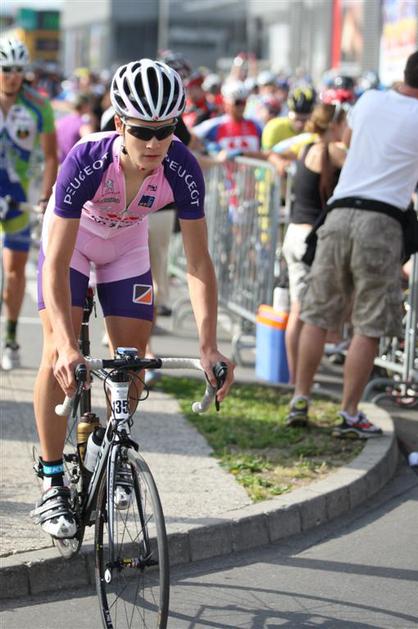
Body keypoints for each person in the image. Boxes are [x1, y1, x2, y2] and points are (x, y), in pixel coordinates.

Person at [31, 58, 235, 539]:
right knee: (57, 356)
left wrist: (209, 345)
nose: (154, 143)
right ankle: (52, 478)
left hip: (126, 248)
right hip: (74, 245)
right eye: (143, 131)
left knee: (132, 359)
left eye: (166, 130)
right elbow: (55, 263)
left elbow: (198, 262)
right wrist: (67, 344)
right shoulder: (86, 159)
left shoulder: (182, 167)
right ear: (121, 123)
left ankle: (111, 446)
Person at [286, 50, 418, 438]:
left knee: (316, 314)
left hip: (339, 212)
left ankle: (299, 398)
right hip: (382, 221)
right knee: (369, 324)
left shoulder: (371, 100)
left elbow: (349, 141)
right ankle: (348, 413)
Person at [0, 37, 58, 370]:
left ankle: (11, 339)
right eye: (6, 69)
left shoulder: (38, 104)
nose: (13, 76)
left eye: (19, 70)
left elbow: (51, 156)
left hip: (19, 195)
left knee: (14, 272)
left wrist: (44, 196)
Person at [282, 103, 347, 384]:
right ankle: (301, 384)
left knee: (297, 311)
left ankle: (296, 380)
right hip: (310, 240)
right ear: (335, 125)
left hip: (294, 234)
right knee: (310, 316)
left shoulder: (307, 148)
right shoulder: (333, 151)